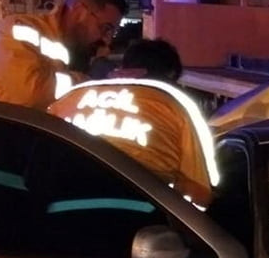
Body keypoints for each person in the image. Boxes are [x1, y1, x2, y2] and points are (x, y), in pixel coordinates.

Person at [47, 38, 218, 208]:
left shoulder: (70, 96)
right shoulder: (176, 103)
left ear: (123, 67)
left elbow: (39, 153)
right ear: (169, 76)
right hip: (135, 211)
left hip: (59, 203)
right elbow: (201, 195)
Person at [0, 0, 127, 110]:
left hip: (48, 134)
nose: (107, 40)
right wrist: (89, 80)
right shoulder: (16, 28)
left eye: (112, 32)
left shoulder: (82, 46)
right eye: (105, 28)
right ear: (79, 11)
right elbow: (32, 94)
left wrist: (111, 74)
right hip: (5, 132)